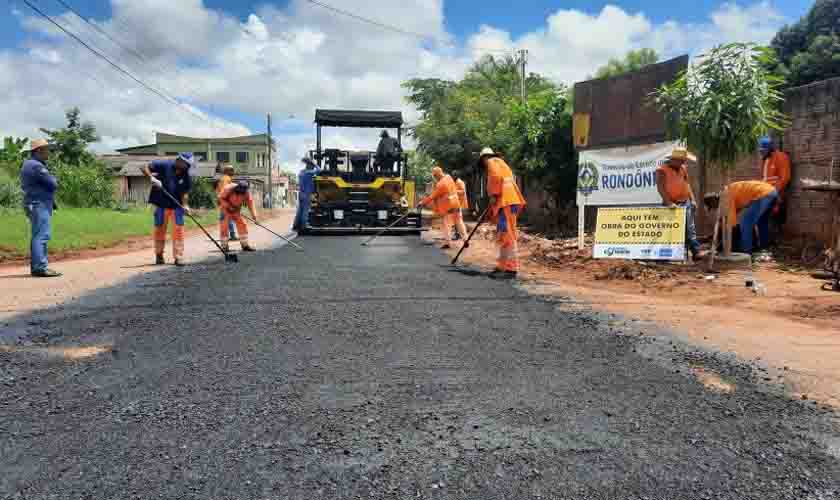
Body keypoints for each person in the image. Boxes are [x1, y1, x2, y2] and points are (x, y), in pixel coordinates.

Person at [479, 148, 526, 279]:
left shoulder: (492, 162)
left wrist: (493, 194)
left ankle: (511, 269)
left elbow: (495, 177)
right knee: (503, 235)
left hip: (507, 201)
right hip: (507, 201)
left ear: (484, 158)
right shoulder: (501, 163)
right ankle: (502, 266)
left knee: (508, 235)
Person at [143, 153, 193, 266]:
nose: (187, 167)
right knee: (159, 230)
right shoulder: (165, 164)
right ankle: (159, 255)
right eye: (186, 164)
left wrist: (185, 205)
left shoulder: (186, 175)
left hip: (177, 207)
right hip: (161, 205)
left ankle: (178, 257)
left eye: (188, 165)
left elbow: (185, 193)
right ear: (180, 160)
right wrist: (151, 177)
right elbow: (144, 167)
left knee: (178, 232)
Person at [20, 139, 60, 277]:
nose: (48, 153)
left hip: (34, 203)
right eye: (46, 150)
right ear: (38, 151)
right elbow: (53, 183)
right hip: (38, 204)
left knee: (38, 235)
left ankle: (38, 266)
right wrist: (53, 179)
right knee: (41, 235)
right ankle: (40, 267)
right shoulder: (36, 166)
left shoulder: (29, 164)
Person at [704, 180, 778, 255]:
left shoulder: (725, 196)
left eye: (713, 207)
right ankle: (764, 248)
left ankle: (747, 253)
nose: (715, 208)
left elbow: (731, 222)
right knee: (762, 222)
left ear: (714, 201)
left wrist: (724, 232)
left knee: (745, 223)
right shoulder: (728, 192)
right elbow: (735, 211)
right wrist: (723, 219)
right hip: (771, 191)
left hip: (763, 194)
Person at [656, 147, 702, 260]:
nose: (683, 162)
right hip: (671, 203)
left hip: (685, 201)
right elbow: (660, 188)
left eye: (684, 160)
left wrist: (693, 199)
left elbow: (687, 184)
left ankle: (696, 252)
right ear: (674, 159)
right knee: (669, 229)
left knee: (690, 228)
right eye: (682, 160)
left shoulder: (683, 168)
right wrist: (668, 203)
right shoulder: (661, 170)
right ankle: (667, 255)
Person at [418, 166, 466, 249]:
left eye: (435, 176)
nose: (435, 178)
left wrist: (422, 202)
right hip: (456, 203)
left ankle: (447, 243)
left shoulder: (440, 184)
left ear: (437, 175)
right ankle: (465, 239)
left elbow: (432, 196)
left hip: (448, 206)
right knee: (459, 222)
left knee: (446, 224)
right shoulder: (449, 177)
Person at [758, 136, 791, 244]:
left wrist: (775, 194)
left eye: (763, 150)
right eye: (760, 150)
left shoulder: (781, 157)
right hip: (766, 195)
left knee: (773, 221)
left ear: (770, 148)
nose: (761, 153)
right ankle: (766, 245)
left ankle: (771, 245)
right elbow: (764, 179)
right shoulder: (766, 160)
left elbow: (784, 178)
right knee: (763, 219)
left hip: (776, 196)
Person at [218, 180, 258, 252]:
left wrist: (254, 216)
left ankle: (245, 245)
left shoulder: (246, 193)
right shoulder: (229, 189)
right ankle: (224, 246)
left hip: (236, 210)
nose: (241, 192)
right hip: (225, 210)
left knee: (242, 225)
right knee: (224, 226)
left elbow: (250, 204)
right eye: (240, 190)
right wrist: (228, 206)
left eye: (243, 191)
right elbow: (221, 198)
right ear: (237, 187)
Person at [293, 158, 319, 232]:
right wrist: (315, 164)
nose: (313, 167)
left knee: (300, 210)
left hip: (301, 193)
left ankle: (295, 225)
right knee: (305, 210)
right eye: (312, 166)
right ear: (310, 166)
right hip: (307, 194)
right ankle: (304, 226)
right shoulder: (309, 173)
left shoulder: (301, 172)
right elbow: (319, 170)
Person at [216, 164, 238, 241]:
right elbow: (225, 190)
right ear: (227, 171)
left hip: (222, 201)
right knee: (227, 218)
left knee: (225, 218)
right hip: (225, 201)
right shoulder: (226, 179)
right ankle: (231, 235)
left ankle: (226, 235)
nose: (233, 171)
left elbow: (218, 190)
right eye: (232, 170)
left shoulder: (223, 179)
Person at [451, 172, 469, 241]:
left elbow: (463, 192)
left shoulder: (460, 182)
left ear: (457, 176)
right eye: (452, 175)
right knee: (456, 219)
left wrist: (454, 191)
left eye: (454, 175)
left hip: (460, 203)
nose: (453, 176)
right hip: (455, 203)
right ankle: (458, 234)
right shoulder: (454, 182)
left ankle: (460, 235)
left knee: (458, 220)